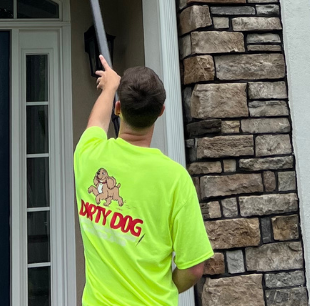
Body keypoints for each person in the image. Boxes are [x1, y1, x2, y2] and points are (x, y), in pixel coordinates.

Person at [74, 56, 213, 306]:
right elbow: (193, 269)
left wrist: (109, 87)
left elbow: (96, 122)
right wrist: (164, 287)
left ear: (119, 109)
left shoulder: (88, 156)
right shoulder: (175, 179)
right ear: (160, 112)